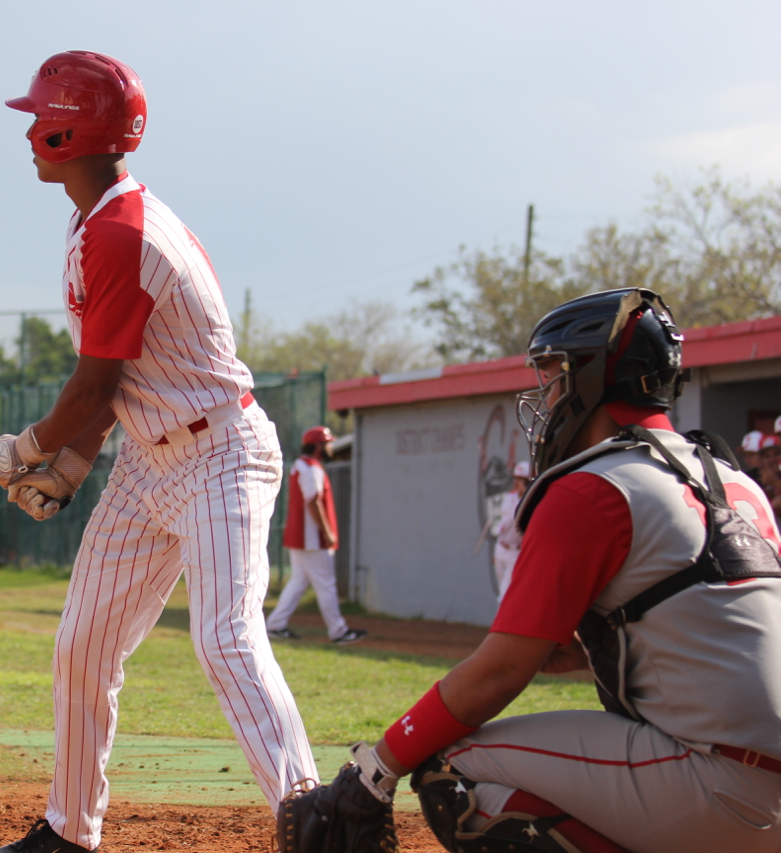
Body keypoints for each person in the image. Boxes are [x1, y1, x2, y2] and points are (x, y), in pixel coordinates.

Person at [286, 288, 781, 853]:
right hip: (750, 783)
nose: (545, 396)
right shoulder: (736, 482)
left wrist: (376, 770)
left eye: (553, 374)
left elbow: (500, 673)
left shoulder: (597, 484)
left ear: (594, 377)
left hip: (720, 792)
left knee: (453, 767)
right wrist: (600, 650)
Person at [0, 51, 319, 853]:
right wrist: (67, 465)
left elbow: (94, 385)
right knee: (83, 643)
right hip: (148, 459)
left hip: (220, 454)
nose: (31, 130)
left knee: (225, 636)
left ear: (74, 130)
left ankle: (316, 820)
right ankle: (69, 830)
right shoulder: (95, 218)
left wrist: (24, 449)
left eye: (42, 116)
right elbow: (116, 382)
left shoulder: (124, 228)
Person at [266, 425, 365, 644]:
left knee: (298, 583)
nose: (331, 447)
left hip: (301, 536)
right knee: (326, 584)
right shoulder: (310, 468)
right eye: (328, 443)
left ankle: (275, 625)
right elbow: (313, 502)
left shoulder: (302, 466)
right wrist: (327, 531)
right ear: (318, 446)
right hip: (311, 538)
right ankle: (338, 631)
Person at [489, 460, 530, 602]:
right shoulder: (508, 498)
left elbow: (517, 517)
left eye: (521, 479)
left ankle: (500, 624)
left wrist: (526, 494)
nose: (517, 482)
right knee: (502, 590)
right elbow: (503, 520)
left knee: (505, 594)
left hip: (515, 552)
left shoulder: (530, 502)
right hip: (501, 547)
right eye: (516, 479)